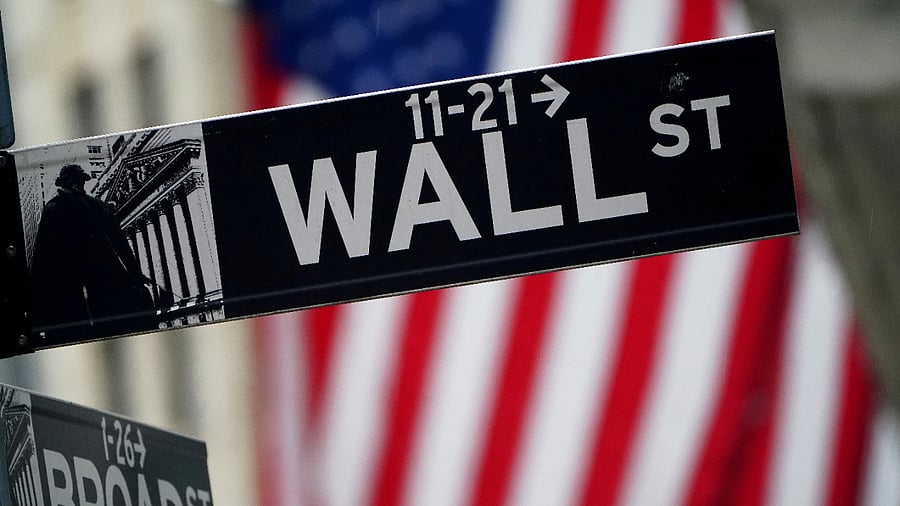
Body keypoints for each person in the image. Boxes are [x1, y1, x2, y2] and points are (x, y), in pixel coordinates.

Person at [30, 164, 154, 340]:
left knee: (106, 320)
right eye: (77, 181)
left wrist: (135, 272)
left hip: (98, 274)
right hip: (77, 277)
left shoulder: (91, 206)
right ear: (67, 183)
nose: (80, 185)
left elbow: (119, 242)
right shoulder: (60, 208)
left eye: (81, 182)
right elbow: (43, 252)